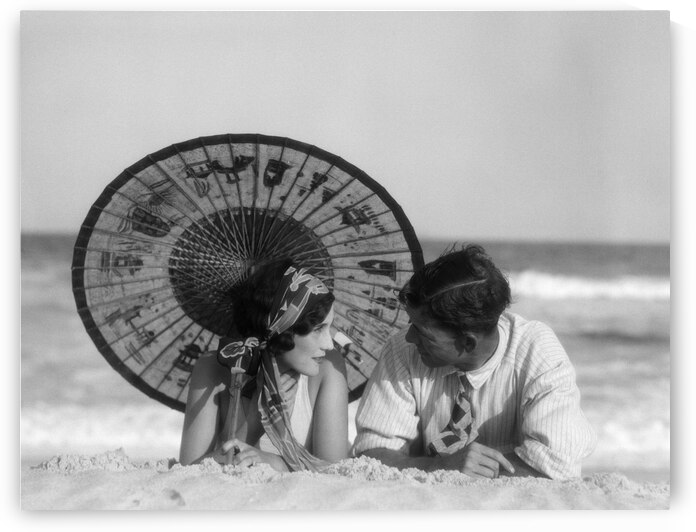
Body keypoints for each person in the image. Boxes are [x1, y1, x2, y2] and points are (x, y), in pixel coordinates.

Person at [352, 244, 596, 480]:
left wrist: (472, 470)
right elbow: (372, 454)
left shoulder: (537, 352)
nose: (409, 336)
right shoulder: (403, 350)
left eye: (422, 331)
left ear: (468, 343)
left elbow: (557, 464)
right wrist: (441, 467)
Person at [179, 259, 349, 471]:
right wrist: (253, 422)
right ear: (282, 330)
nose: (329, 343)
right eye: (318, 329)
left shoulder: (328, 368)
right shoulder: (215, 367)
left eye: (329, 327)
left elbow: (337, 471)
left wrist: (273, 462)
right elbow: (186, 473)